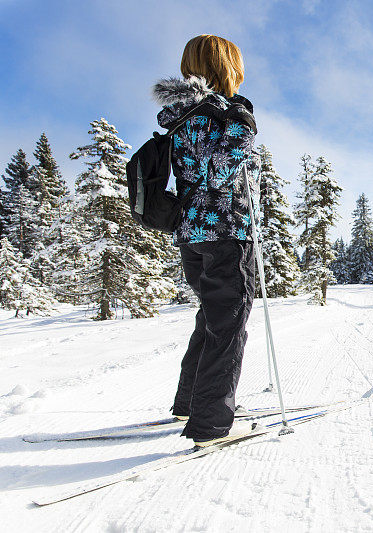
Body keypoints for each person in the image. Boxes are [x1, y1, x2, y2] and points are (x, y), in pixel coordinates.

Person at [152, 35, 259, 447]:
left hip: (193, 232)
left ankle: (189, 402)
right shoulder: (220, 112)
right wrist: (243, 126)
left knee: (212, 318)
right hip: (226, 230)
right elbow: (220, 173)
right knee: (228, 324)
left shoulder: (182, 112)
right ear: (226, 67)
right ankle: (211, 424)